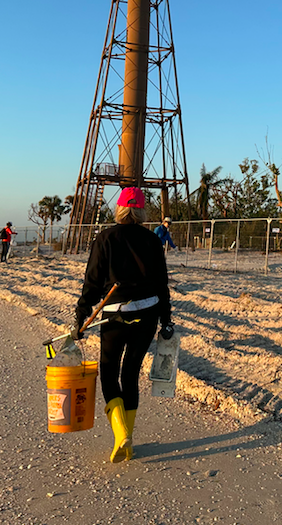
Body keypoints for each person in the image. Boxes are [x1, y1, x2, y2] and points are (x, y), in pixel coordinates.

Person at [73, 187, 174, 463]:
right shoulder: (152, 240)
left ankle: (121, 436)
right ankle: (127, 438)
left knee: (109, 372)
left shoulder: (105, 238)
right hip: (148, 314)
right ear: (141, 210)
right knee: (130, 374)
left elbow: (92, 283)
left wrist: (81, 314)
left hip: (115, 314)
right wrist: (166, 319)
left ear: (119, 208)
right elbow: (162, 284)